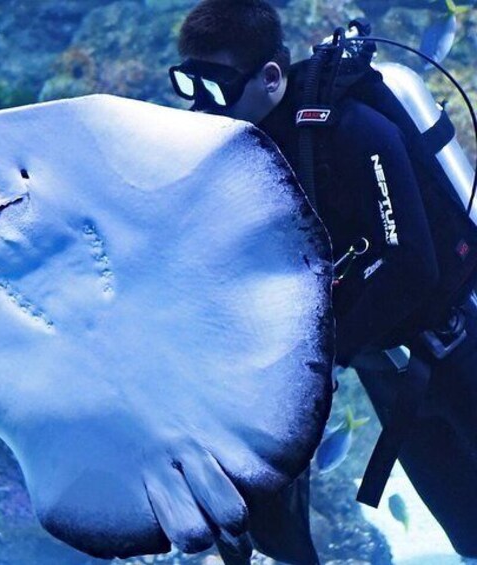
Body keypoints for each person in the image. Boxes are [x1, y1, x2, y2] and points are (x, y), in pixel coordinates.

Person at [169, 0, 477, 559]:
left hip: (459, 349)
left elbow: (415, 267)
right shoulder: (247, 151)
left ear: (269, 76)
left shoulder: (355, 129)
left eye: (216, 87)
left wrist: (328, 358)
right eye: (189, 85)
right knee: (470, 530)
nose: (201, 107)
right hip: (389, 375)